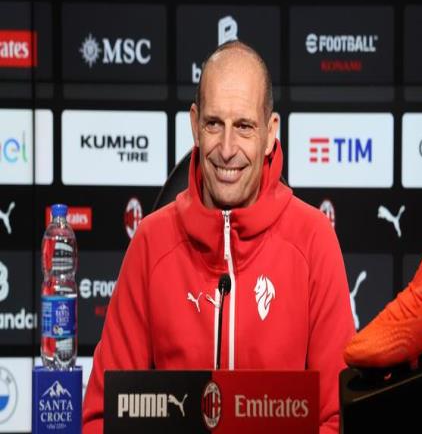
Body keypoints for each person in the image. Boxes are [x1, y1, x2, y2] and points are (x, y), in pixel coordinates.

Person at [83, 40, 354, 433]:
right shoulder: (151, 242)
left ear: (270, 133)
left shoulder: (313, 241)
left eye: (244, 126)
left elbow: (338, 418)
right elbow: (101, 418)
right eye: (214, 124)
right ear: (195, 124)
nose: (227, 149)